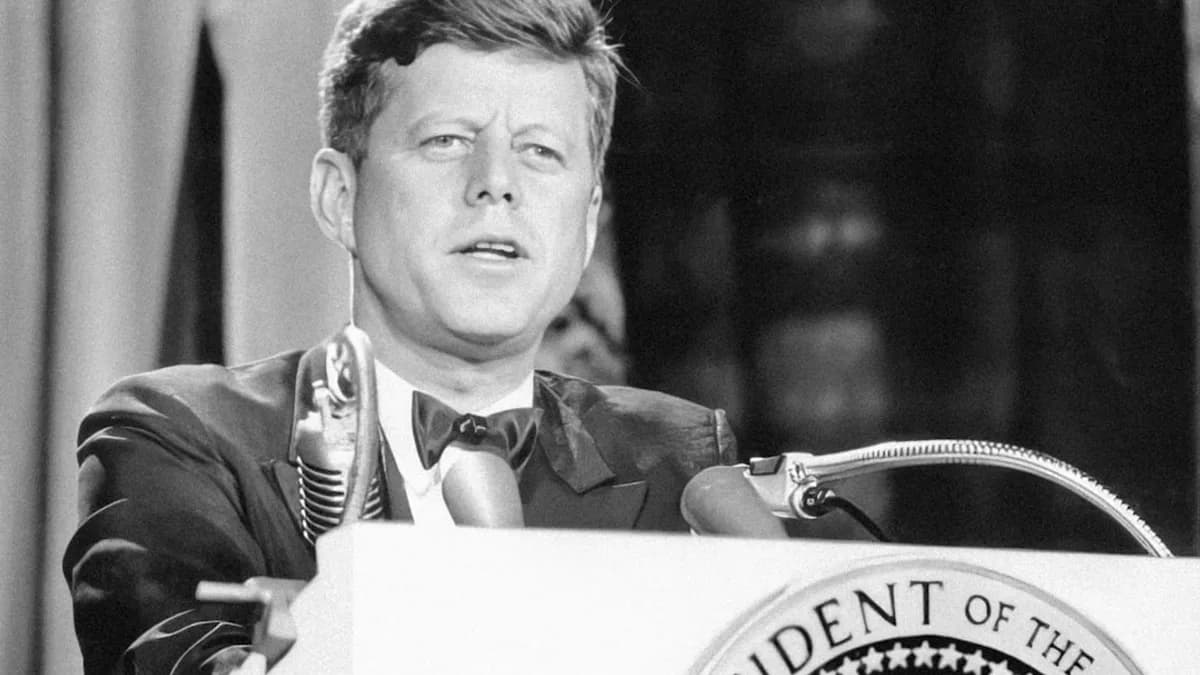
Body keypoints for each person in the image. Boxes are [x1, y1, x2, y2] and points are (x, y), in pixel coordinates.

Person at [61, 1, 738, 673]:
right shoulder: (177, 438)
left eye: (540, 150)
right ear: (339, 198)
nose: (496, 184)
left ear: (588, 221)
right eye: (446, 141)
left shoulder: (680, 460)